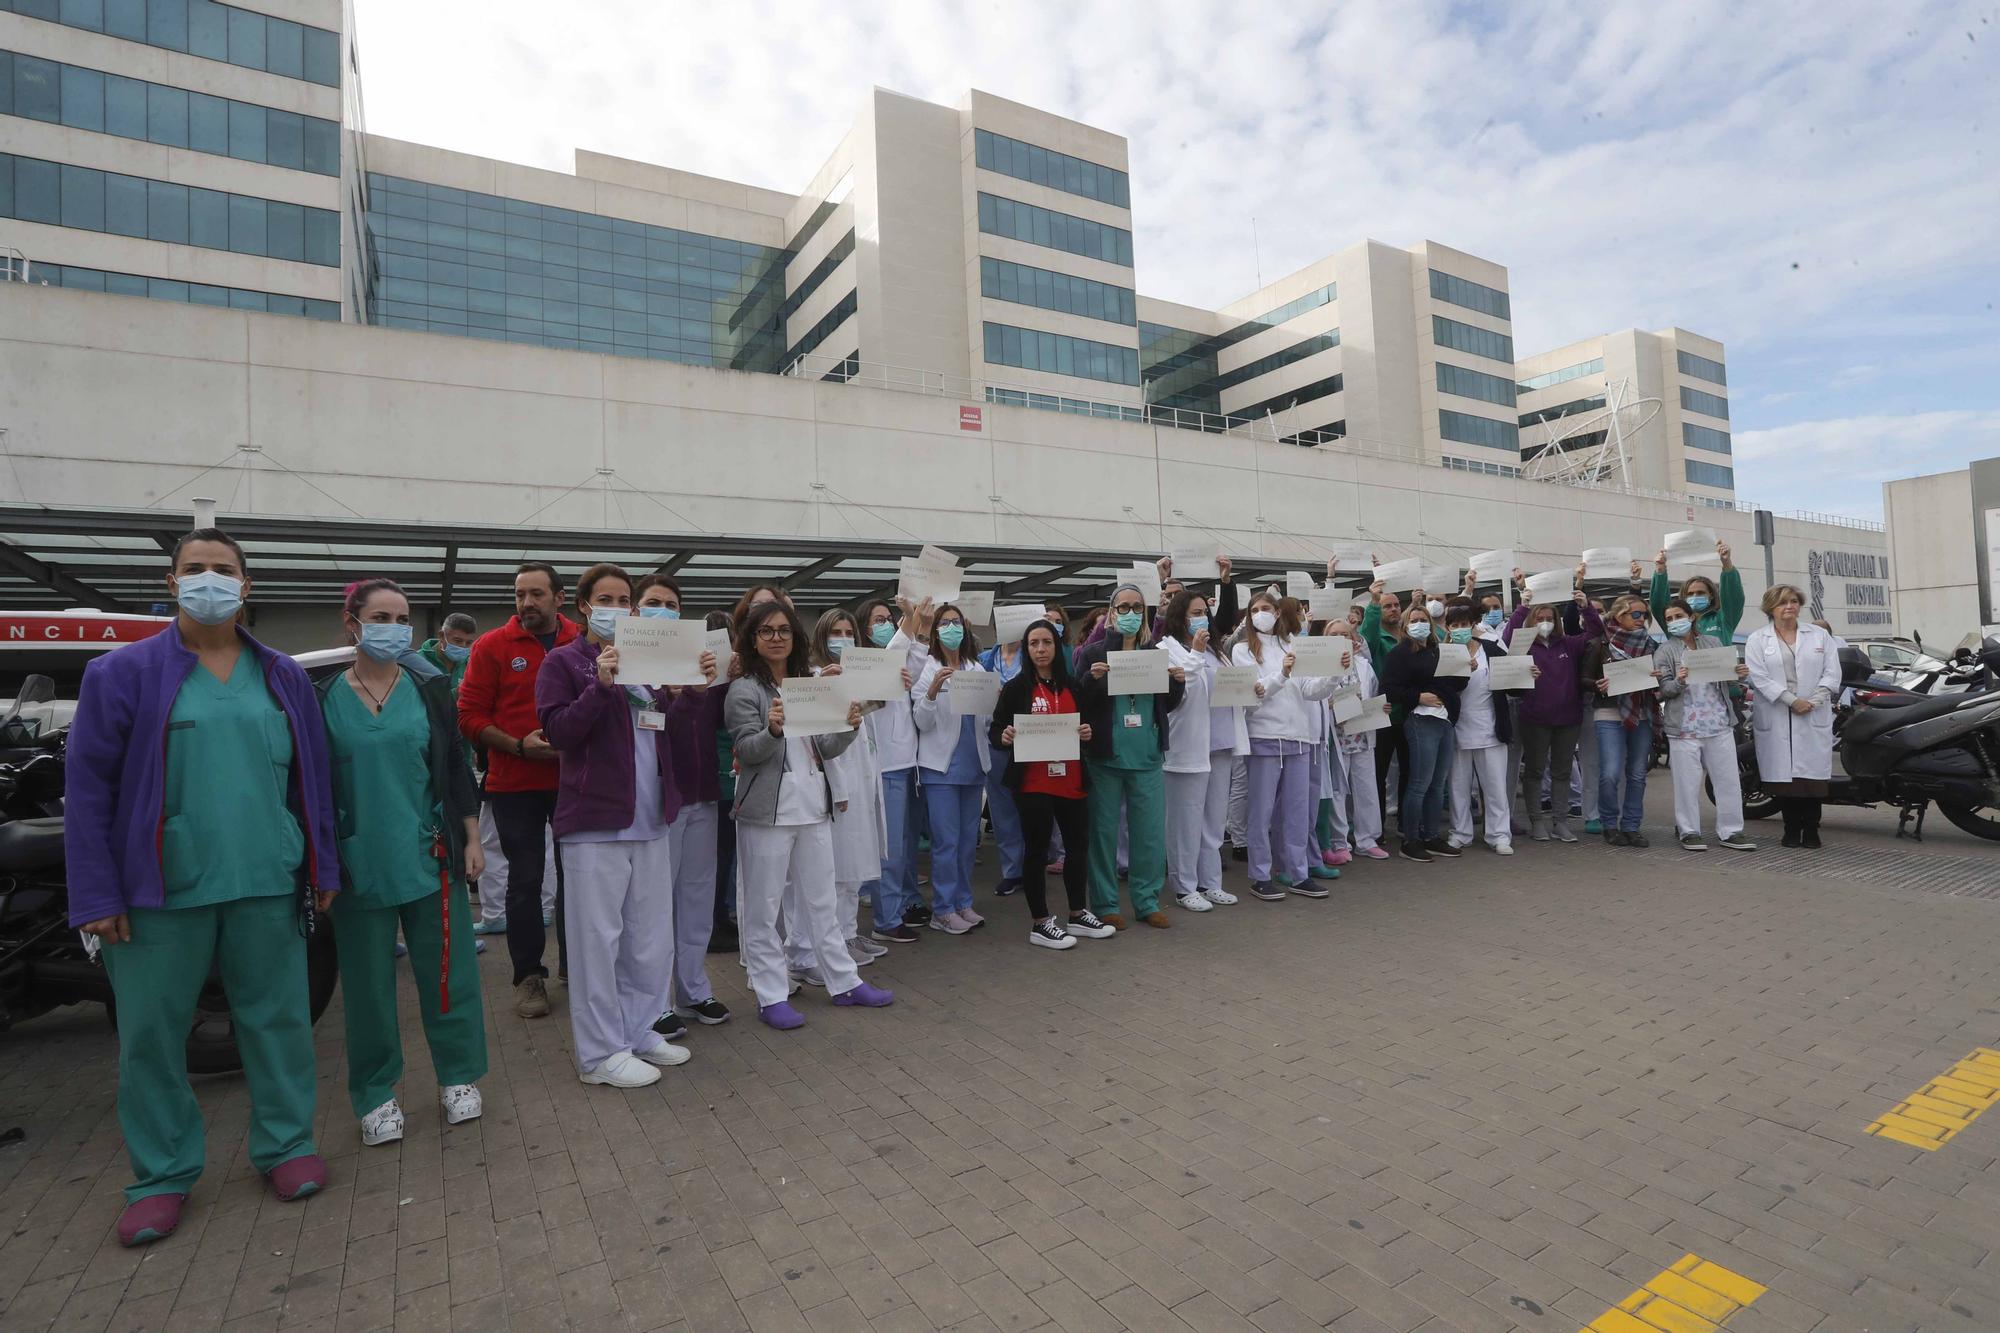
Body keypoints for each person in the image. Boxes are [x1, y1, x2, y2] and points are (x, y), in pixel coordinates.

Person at [66, 528, 337, 1247]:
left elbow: (313, 780)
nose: (209, 580)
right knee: (151, 1037)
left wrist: (323, 870)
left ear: (246, 587)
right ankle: (161, 1175)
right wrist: (96, 895)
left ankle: (286, 1144)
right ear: (171, 581)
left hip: (264, 878)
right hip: (158, 891)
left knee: (277, 1021)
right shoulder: (120, 674)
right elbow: (88, 791)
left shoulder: (281, 675)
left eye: (224, 570)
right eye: (196, 569)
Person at [316, 580, 487, 1145]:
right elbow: (309, 788)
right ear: (352, 623)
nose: (394, 626)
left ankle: (458, 1077)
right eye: (381, 615)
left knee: (447, 975)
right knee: (366, 989)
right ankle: (375, 1091)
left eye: (403, 617)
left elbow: (456, 766)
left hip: (429, 853)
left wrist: (471, 837)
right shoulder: (321, 697)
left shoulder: (429, 688)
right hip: (357, 862)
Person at [538, 564, 717, 1088]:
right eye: (606, 599)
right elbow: (559, 732)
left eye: (625, 600)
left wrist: (693, 691)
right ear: (585, 607)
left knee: (648, 937)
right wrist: (600, 686)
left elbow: (666, 728)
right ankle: (599, 1054)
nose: (617, 607)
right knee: (599, 941)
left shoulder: (646, 662)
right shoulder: (563, 661)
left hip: (650, 817)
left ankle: (639, 1030)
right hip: (594, 822)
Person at [726, 600, 895, 1028]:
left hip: (813, 807)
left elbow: (825, 747)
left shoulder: (807, 683)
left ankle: (844, 981)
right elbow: (747, 750)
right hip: (767, 813)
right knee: (764, 909)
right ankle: (770, 994)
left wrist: (850, 725)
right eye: (767, 631)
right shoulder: (744, 689)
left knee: (821, 901)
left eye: (784, 630)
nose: (777, 637)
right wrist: (773, 730)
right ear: (752, 638)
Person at [458, 562, 579, 1018]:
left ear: (559, 598)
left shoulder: (582, 641)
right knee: (524, 881)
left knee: (579, 878)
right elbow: (468, 716)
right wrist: (518, 747)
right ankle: (528, 976)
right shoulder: (492, 646)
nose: (526, 603)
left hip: (574, 783)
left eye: (536, 594)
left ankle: (577, 966)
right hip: (515, 784)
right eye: (519, 595)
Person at [637, 574, 732, 1029]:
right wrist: (680, 700)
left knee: (696, 896)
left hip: (703, 795)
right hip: (661, 803)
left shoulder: (702, 664)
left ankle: (694, 988)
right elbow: (654, 731)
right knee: (657, 904)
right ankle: (656, 1001)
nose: (664, 611)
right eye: (654, 602)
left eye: (672, 604)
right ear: (636, 612)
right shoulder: (632, 670)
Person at [987, 620, 1117, 948]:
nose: (1041, 649)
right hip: (1033, 784)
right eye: (1034, 644)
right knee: (1036, 852)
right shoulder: (1017, 688)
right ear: (1027, 649)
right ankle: (1040, 923)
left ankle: (1077, 913)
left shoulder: (1072, 685)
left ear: (1056, 647)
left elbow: (1085, 725)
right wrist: (1003, 736)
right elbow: (996, 729)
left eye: (1046, 642)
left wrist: (1086, 733)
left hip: (1071, 780)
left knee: (1077, 848)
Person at [1074, 584, 1186, 926]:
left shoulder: (1156, 653)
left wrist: (1177, 684)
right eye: (1123, 607)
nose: (1131, 613)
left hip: (1147, 757)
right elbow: (1079, 702)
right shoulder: (1093, 653)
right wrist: (1091, 681)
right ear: (1111, 612)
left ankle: (1147, 900)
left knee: (1149, 834)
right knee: (1103, 834)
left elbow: (1167, 704)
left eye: (1137, 607)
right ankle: (1106, 903)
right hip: (1106, 757)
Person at [1230, 590, 1333, 898]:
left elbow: (1311, 690)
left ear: (1277, 612)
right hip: (1264, 736)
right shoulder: (1242, 650)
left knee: (1298, 811)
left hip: (1299, 737)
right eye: (1255, 609)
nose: (1261, 613)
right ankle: (1260, 874)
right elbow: (1254, 692)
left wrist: (1333, 674)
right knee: (1261, 811)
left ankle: (1297, 872)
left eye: (1267, 608)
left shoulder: (1293, 644)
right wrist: (1283, 674)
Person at [810, 608, 889, 968]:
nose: (843, 640)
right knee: (840, 868)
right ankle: (836, 938)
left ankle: (850, 929)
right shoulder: (815, 677)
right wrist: (838, 789)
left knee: (857, 865)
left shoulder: (859, 676)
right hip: (839, 787)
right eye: (835, 633)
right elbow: (822, 742)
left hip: (865, 780)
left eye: (849, 633)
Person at [911, 602, 991, 934]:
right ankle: (942, 909)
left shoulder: (977, 669)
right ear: (935, 631)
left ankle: (963, 902)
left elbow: (986, 721)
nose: (951, 628)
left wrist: (994, 698)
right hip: (940, 769)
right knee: (946, 841)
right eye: (944, 623)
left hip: (973, 767)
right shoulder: (928, 668)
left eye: (956, 622)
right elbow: (920, 721)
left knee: (966, 841)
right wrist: (931, 693)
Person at [1655, 598, 1757, 852]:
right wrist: (1679, 681)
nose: (1674, 622)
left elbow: (1727, 674)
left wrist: (1738, 672)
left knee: (1728, 779)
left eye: (1678, 616)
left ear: (1691, 617)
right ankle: (1689, 830)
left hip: (1718, 722)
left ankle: (1731, 831)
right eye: (1668, 619)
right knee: (1687, 782)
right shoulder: (1665, 651)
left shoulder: (1712, 643)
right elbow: (1664, 690)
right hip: (1684, 727)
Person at [1744, 585, 1842, 848]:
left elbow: (1832, 672)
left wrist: (1814, 700)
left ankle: (1811, 830)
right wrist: (1791, 700)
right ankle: (1790, 830)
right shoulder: (1757, 639)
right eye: (1782, 602)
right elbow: (1759, 677)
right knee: (1785, 781)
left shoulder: (1819, 636)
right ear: (1770, 608)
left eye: (1794, 601)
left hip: (1812, 711)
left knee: (1811, 781)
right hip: (1778, 713)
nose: (1789, 606)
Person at [1503, 582, 1599, 843]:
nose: (1545, 622)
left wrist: (1586, 608)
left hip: (1568, 719)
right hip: (1534, 718)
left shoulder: (1569, 644)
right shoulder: (1524, 646)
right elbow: (1507, 639)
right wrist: (1522, 608)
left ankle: (1560, 822)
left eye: (1549, 618)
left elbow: (1596, 634)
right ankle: (1537, 821)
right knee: (1534, 771)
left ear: (1556, 621)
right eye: (1540, 618)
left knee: (1562, 771)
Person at [857, 597, 928, 941]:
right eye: (879, 620)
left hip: (905, 763)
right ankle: (887, 920)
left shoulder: (894, 660)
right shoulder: (863, 664)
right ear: (864, 628)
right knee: (889, 849)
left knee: (902, 844)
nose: (885, 624)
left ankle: (895, 906)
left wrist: (918, 631)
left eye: (889, 618)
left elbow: (912, 668)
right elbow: (891, 664)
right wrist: (908, 622)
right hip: (883, 765)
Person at [1157, 589, 1232, 912]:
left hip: (1218, 742)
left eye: (1204, 611)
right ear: (1178, 616)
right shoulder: (1165, 649)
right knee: (1184, 823)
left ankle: (1210, 882)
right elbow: (1178, 690)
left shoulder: (1216, 650)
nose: (1200, 617)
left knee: (1214, 820)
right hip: (1185, 747)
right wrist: (1196, 653)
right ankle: (1184, 885)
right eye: (1193, 612)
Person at [1381, 602, 1466, 861]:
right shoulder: (1400, 653)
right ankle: (1411, 840)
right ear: (1406, 625)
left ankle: (1431, 835)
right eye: (1414, 620)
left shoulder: (1439, 650)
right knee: (1419, 783)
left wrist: (1466, 667)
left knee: (1437, 784)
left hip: (1444, 721)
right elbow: (1389, 688)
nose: (1419, 624)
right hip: (1420, 720)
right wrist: (1418, 696)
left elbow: (1455, 684)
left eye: (1423, 619)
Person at [1584, 593, 1663, 847]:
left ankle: (1631, 826)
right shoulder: (1601, 644)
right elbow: (1583, 679)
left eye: (1645, 615)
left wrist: (1659, 676)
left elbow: (1660, 681)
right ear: (1619, 615)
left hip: (1641, 714)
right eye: (1636, 614)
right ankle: (1609, 823)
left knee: (1638, 774)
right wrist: (1598, 685)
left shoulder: (1651, 645)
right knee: (1610, 773)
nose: (1642, 620)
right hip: (1608, 713)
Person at [1441, 604, 1514, 855]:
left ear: (1473, 625)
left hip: (1491, 725)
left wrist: (1526, 675)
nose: (1461, 629)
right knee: (1458, 785)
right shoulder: (1444, 654)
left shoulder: (1492, 649)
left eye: (1465, 624)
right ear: (1448, 628)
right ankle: (1460, 833)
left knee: (1494, 784)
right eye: (1455, 625)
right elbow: (1442, 688)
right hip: (1457, 725)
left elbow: (1511, 684)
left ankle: (1499, 834)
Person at [1324, 618, 1387, 860]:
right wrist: (1331, 706)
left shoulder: (1363, 665)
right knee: (1338, 790)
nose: (1341, 639)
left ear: (1353, 640)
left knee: (1366, 787)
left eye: (1345, 634)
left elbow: (1373, 693)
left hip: (1361, 733)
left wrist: (1381, 708)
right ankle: (1340, 842)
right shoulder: (1320, 667)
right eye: (1334, 634)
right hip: (1335, 736)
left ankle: (1366, 839)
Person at [976, 619, 1029, 898]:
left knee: (1031, 807)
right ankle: (1012, 871)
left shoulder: (1032, 655)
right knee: (1002, 808)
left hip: (1030, 739)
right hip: (995, 739)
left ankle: (1032, 867)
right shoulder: (986, 658)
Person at [1649, 539, 1744, 642]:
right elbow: (1659, 604)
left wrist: (1726, 563)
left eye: (1700, 593)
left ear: (1711, 595)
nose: (1695, 596)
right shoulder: (1676, 622)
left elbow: (1733, 598)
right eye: (1690, 594)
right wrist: (1660, 569)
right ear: (1684, 598)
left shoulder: (1723, 619)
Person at [419, 612, 478, 687]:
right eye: (458, 641)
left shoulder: (471, 665)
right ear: (441, 636)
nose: (463, 646)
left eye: (468, 643)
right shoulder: (417, 661)